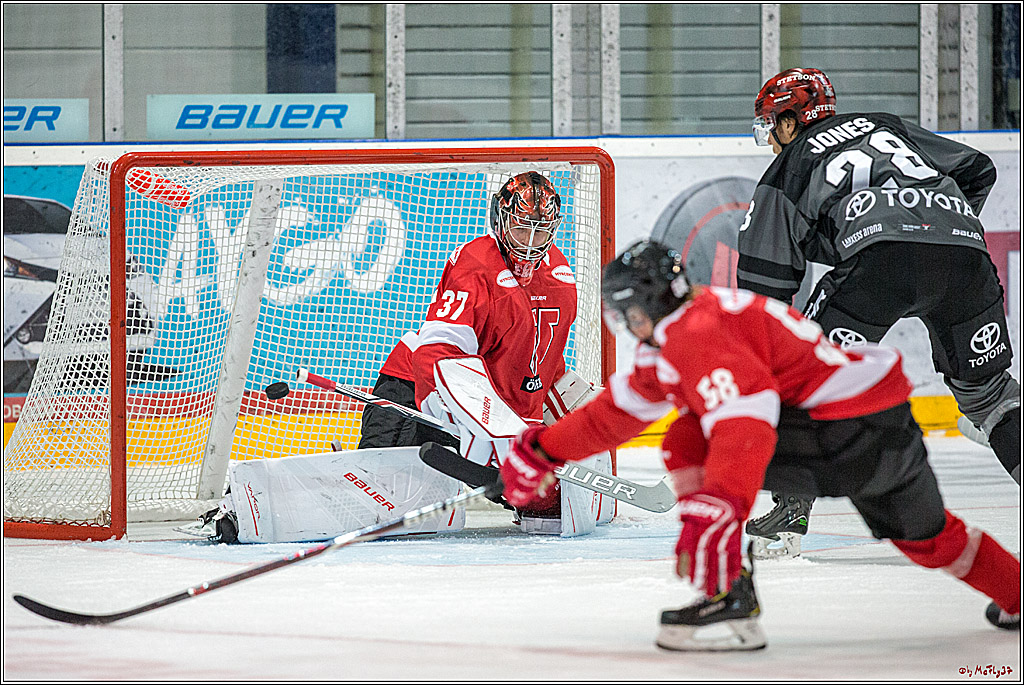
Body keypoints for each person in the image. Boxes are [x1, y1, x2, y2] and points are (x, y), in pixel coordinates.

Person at [500, 240, 1021, 651]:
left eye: (629, 313)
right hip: (880, 428)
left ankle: (726, 594)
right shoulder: (686, 323)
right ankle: (1017, 593)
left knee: (687, 435)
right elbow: (619, 412)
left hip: (844, 434)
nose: (629, 325)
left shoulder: (696, 333)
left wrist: (719, 505)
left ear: (649, 303)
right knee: (932, 540)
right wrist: (544, 449)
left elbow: (744, 427)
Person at [735, 67, 1021, 557]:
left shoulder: (791, 166)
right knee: (989, 394)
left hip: (879, 264)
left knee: (807, 377)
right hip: (965, 255)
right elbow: (977, 169)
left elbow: (765, 283)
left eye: (769, 127)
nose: (770, 141)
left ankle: (790, 512)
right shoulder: (886, 124)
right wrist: (935, 226)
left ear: (788, 121)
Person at [357, 170, 607, 533]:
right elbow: (437, 351)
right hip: (420, 389)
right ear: (500, 221)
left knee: (544, 501)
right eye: (521, 229)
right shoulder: (476, 264)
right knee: (381, 507)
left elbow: (541, 366)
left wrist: (536, 433)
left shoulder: (561, 278)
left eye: (540, 231)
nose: (530, 243)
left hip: (488, 404)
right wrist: (456, 414)